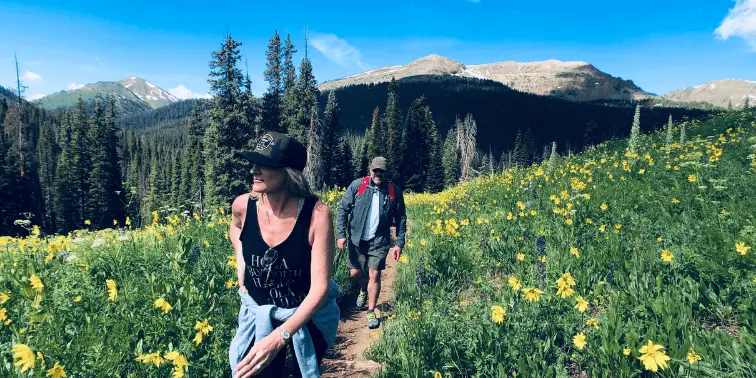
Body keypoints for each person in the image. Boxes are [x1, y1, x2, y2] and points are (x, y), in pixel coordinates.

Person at [228, 132, 340, 378]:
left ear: (290, 172)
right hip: (259, 316)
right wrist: (241, 260)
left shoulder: (316, 215)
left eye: (265, 165)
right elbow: (236, 228)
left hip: (306, 319)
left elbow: (320, 289)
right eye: (254, 163)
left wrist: (279, 337)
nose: (254, 171)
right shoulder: (243, 206)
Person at [336, 156, 407, 329]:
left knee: (374, 274)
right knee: (354, 272)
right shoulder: (358, 186)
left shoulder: (394, 191)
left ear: (386, 172)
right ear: (370, 170)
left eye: (381, 171)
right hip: (356, 238)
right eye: (376, 170)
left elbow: (401, 218)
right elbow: (343, 209)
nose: (378, 174)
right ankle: (363, 289)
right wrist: (341, 234)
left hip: (380, 240)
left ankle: (371, 310)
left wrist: (399, 243)